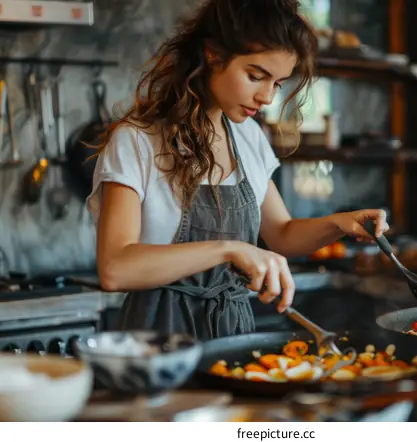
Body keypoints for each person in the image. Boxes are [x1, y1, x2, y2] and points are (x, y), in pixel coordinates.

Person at [86, 0, 390, 342]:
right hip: (157, 342)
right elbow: (115, 268)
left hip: (232, 334)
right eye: (255, 76)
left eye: (277, 83)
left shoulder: (247, 136)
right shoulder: (137, 140)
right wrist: (229, 249)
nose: (267, 97)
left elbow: (283, 234)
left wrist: (339, 224)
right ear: (213, 54)